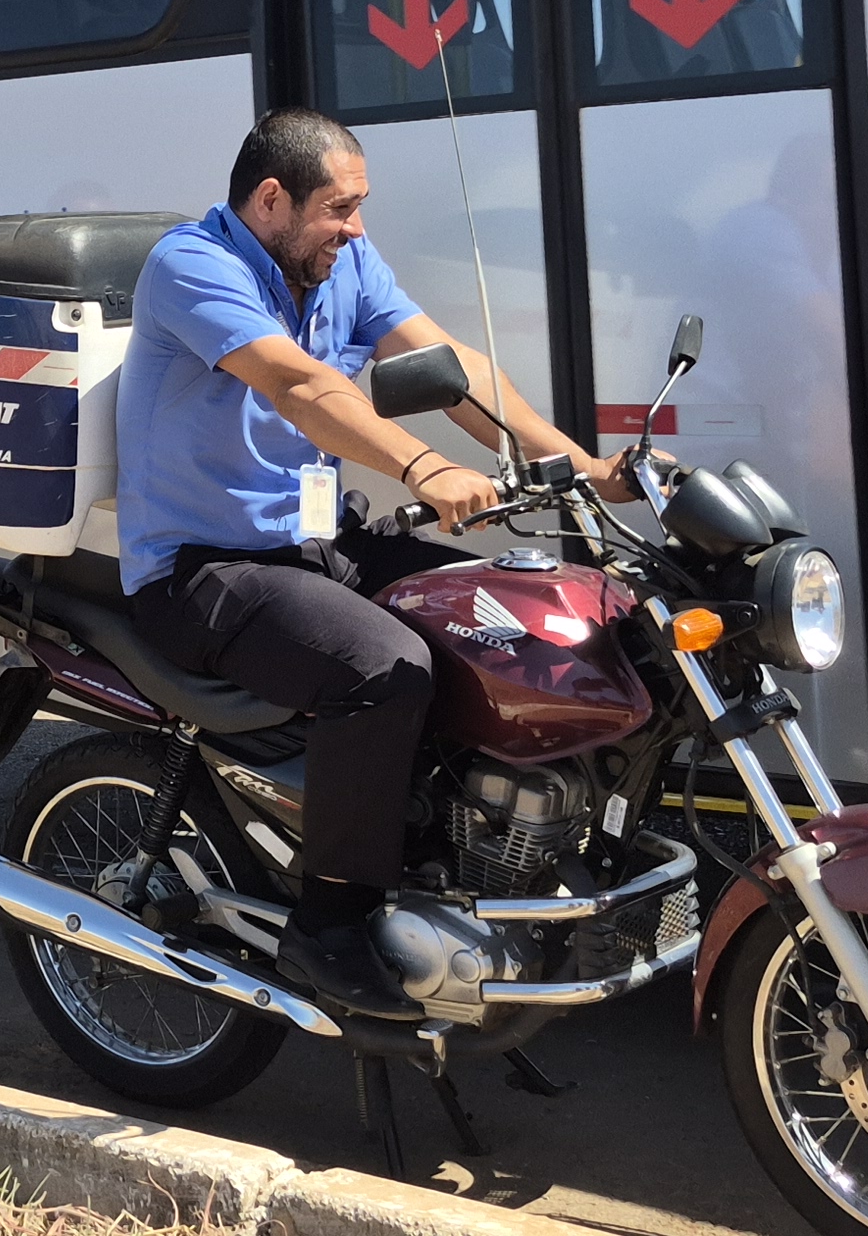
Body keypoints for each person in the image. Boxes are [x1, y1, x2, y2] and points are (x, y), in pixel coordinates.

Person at [118, 108, 636, 1016]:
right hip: (204, 566)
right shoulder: (191, 264)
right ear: (272, 200)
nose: (355, 228)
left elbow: (455, 368)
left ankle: (448, 861)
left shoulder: (342, 263)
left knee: (498, 618)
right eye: (340, 208)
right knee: (384, 670)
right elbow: (302, 386)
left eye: (359, 208)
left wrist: (580, 468)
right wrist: (425, 466)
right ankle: (330, 924)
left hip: (320, 541)